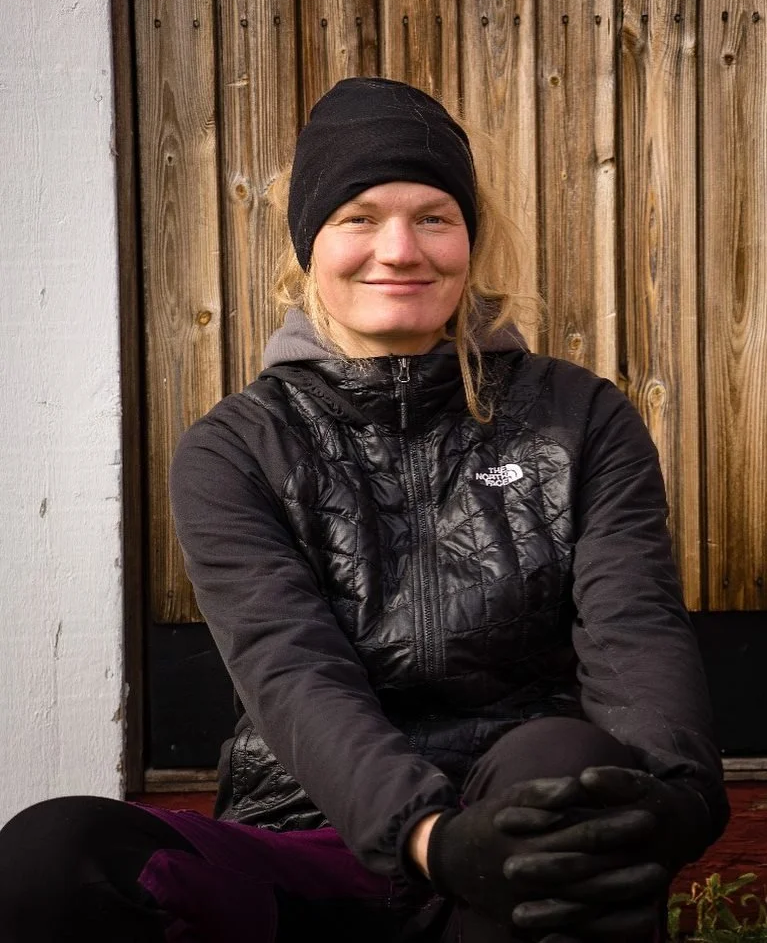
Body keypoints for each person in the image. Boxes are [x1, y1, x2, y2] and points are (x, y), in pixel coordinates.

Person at [0, 77, 728, 942]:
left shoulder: (581, 419)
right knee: (51, 856)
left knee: (567, 773)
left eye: (433, 217)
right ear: (310, 244)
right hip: (308, 845)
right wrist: (431, 838)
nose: (401, 250)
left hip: (518, 837)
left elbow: (633, 626)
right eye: (360, 217)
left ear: (468, 239)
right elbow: (290, 668)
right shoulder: (237, 448)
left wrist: (677, 800)